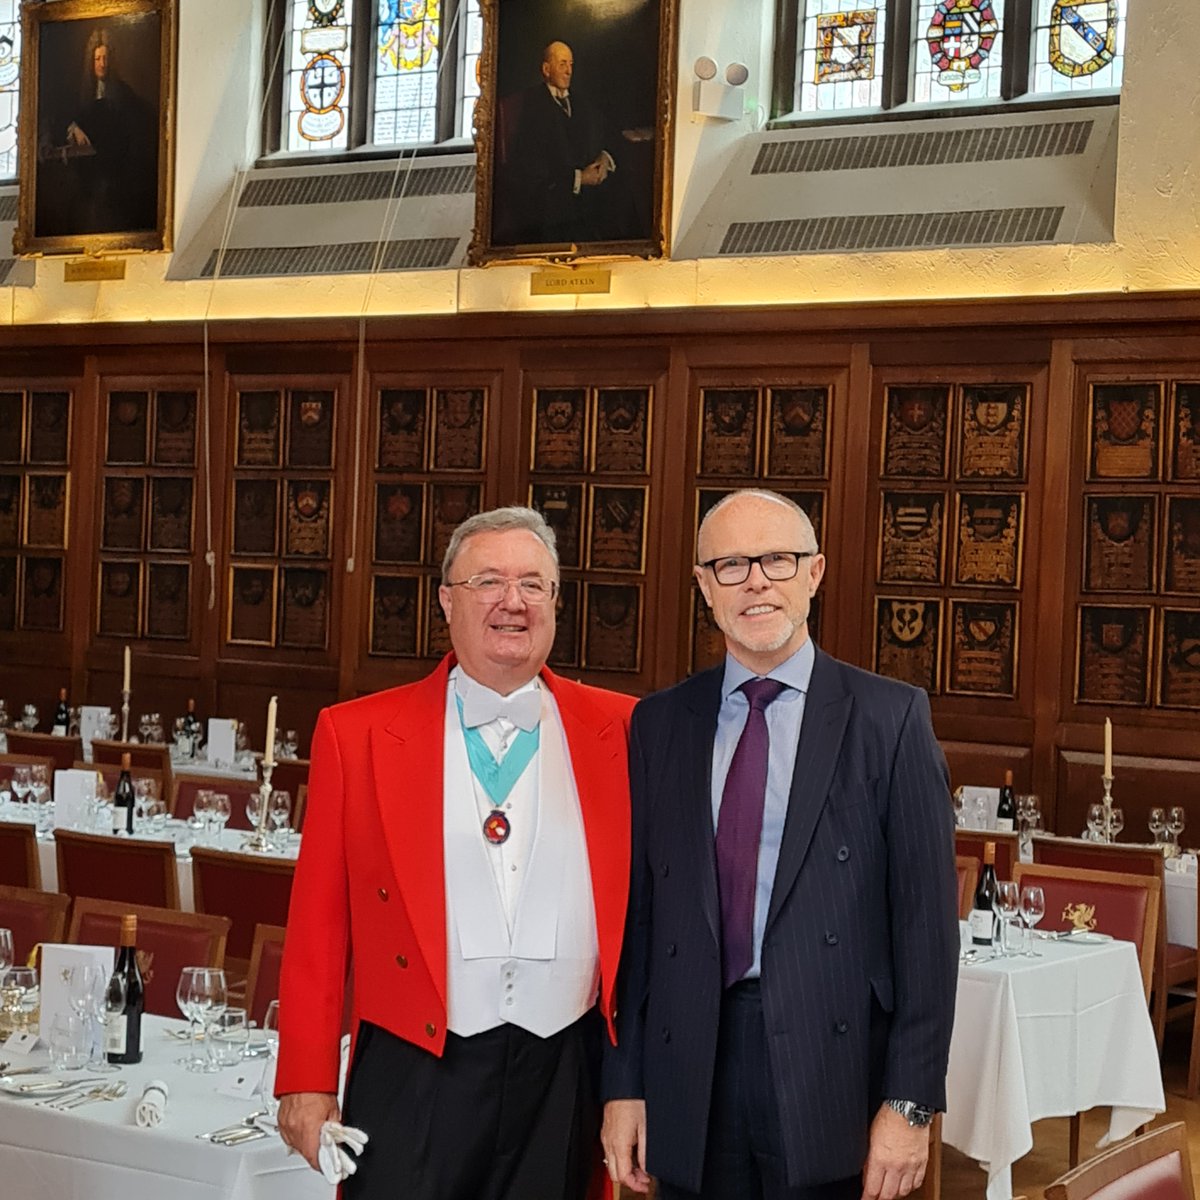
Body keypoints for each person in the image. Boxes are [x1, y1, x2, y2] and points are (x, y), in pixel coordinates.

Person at [602, 488, 958, 1200]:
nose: (756, 579)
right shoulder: (659, 724)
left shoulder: (889, 719)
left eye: (778, 559)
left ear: (815, 573)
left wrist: (911, 1103)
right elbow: (638, 924)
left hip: (833, 1065)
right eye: (731, 564)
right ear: (705, 587)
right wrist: (625, 1086)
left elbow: (926, 928)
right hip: (688, 1062)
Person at [276, 506, 636, 1200]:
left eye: (534, 584)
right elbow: (318, 925)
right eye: (489, 581)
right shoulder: (358, 735)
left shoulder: (623, 730)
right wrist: (306, 1077)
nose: (513, 601)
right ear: (447, 599)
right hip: (416, 1065)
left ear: (557, 604)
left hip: (563, 1067)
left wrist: (634, 1083)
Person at [501, 41, 618, 245]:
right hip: (549, 209)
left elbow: (603, 135)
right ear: (546, 69)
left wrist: (604, 159)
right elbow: (530, 167)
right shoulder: (531, 107)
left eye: (571, 64)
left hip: (589, 205)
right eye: (563, 64)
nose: (569, 71)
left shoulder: (582, 103)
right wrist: (580, 178)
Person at [43, 28, 157, 236]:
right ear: (91, 61)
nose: (102, 64)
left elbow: (132, 133)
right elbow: (60, 119)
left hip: (114, 174)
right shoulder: (80, 94)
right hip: (85, 175)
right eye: (97, 59)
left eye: (105, 58)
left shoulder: (124, 94)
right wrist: (73, 127)